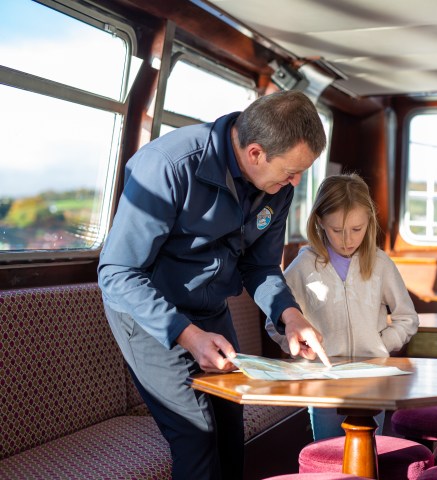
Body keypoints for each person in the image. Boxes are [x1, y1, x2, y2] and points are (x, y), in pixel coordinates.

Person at [98, 90, 332, 480]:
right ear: (255, 152)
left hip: (212, 309)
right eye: (291, 171)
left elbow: (259, 265)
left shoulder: (279, 188)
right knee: (196, 432)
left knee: (229, 421)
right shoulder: (169, 165)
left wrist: (291, 317)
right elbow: (118, 272)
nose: (296, 181)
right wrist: (187, 336)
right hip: (148, 313)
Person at [265, 173, 419, 440]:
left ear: (368, 222)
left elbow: (407, 318)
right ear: (320, 222)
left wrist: (382, 344)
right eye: (337, 230)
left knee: (370, 453)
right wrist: (299, 349)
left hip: (373, 379)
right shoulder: (302, 267)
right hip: (321, 382)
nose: (347, 239)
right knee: (327, 455)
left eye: (356, 229)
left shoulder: (381, 264)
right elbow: (274, 322)